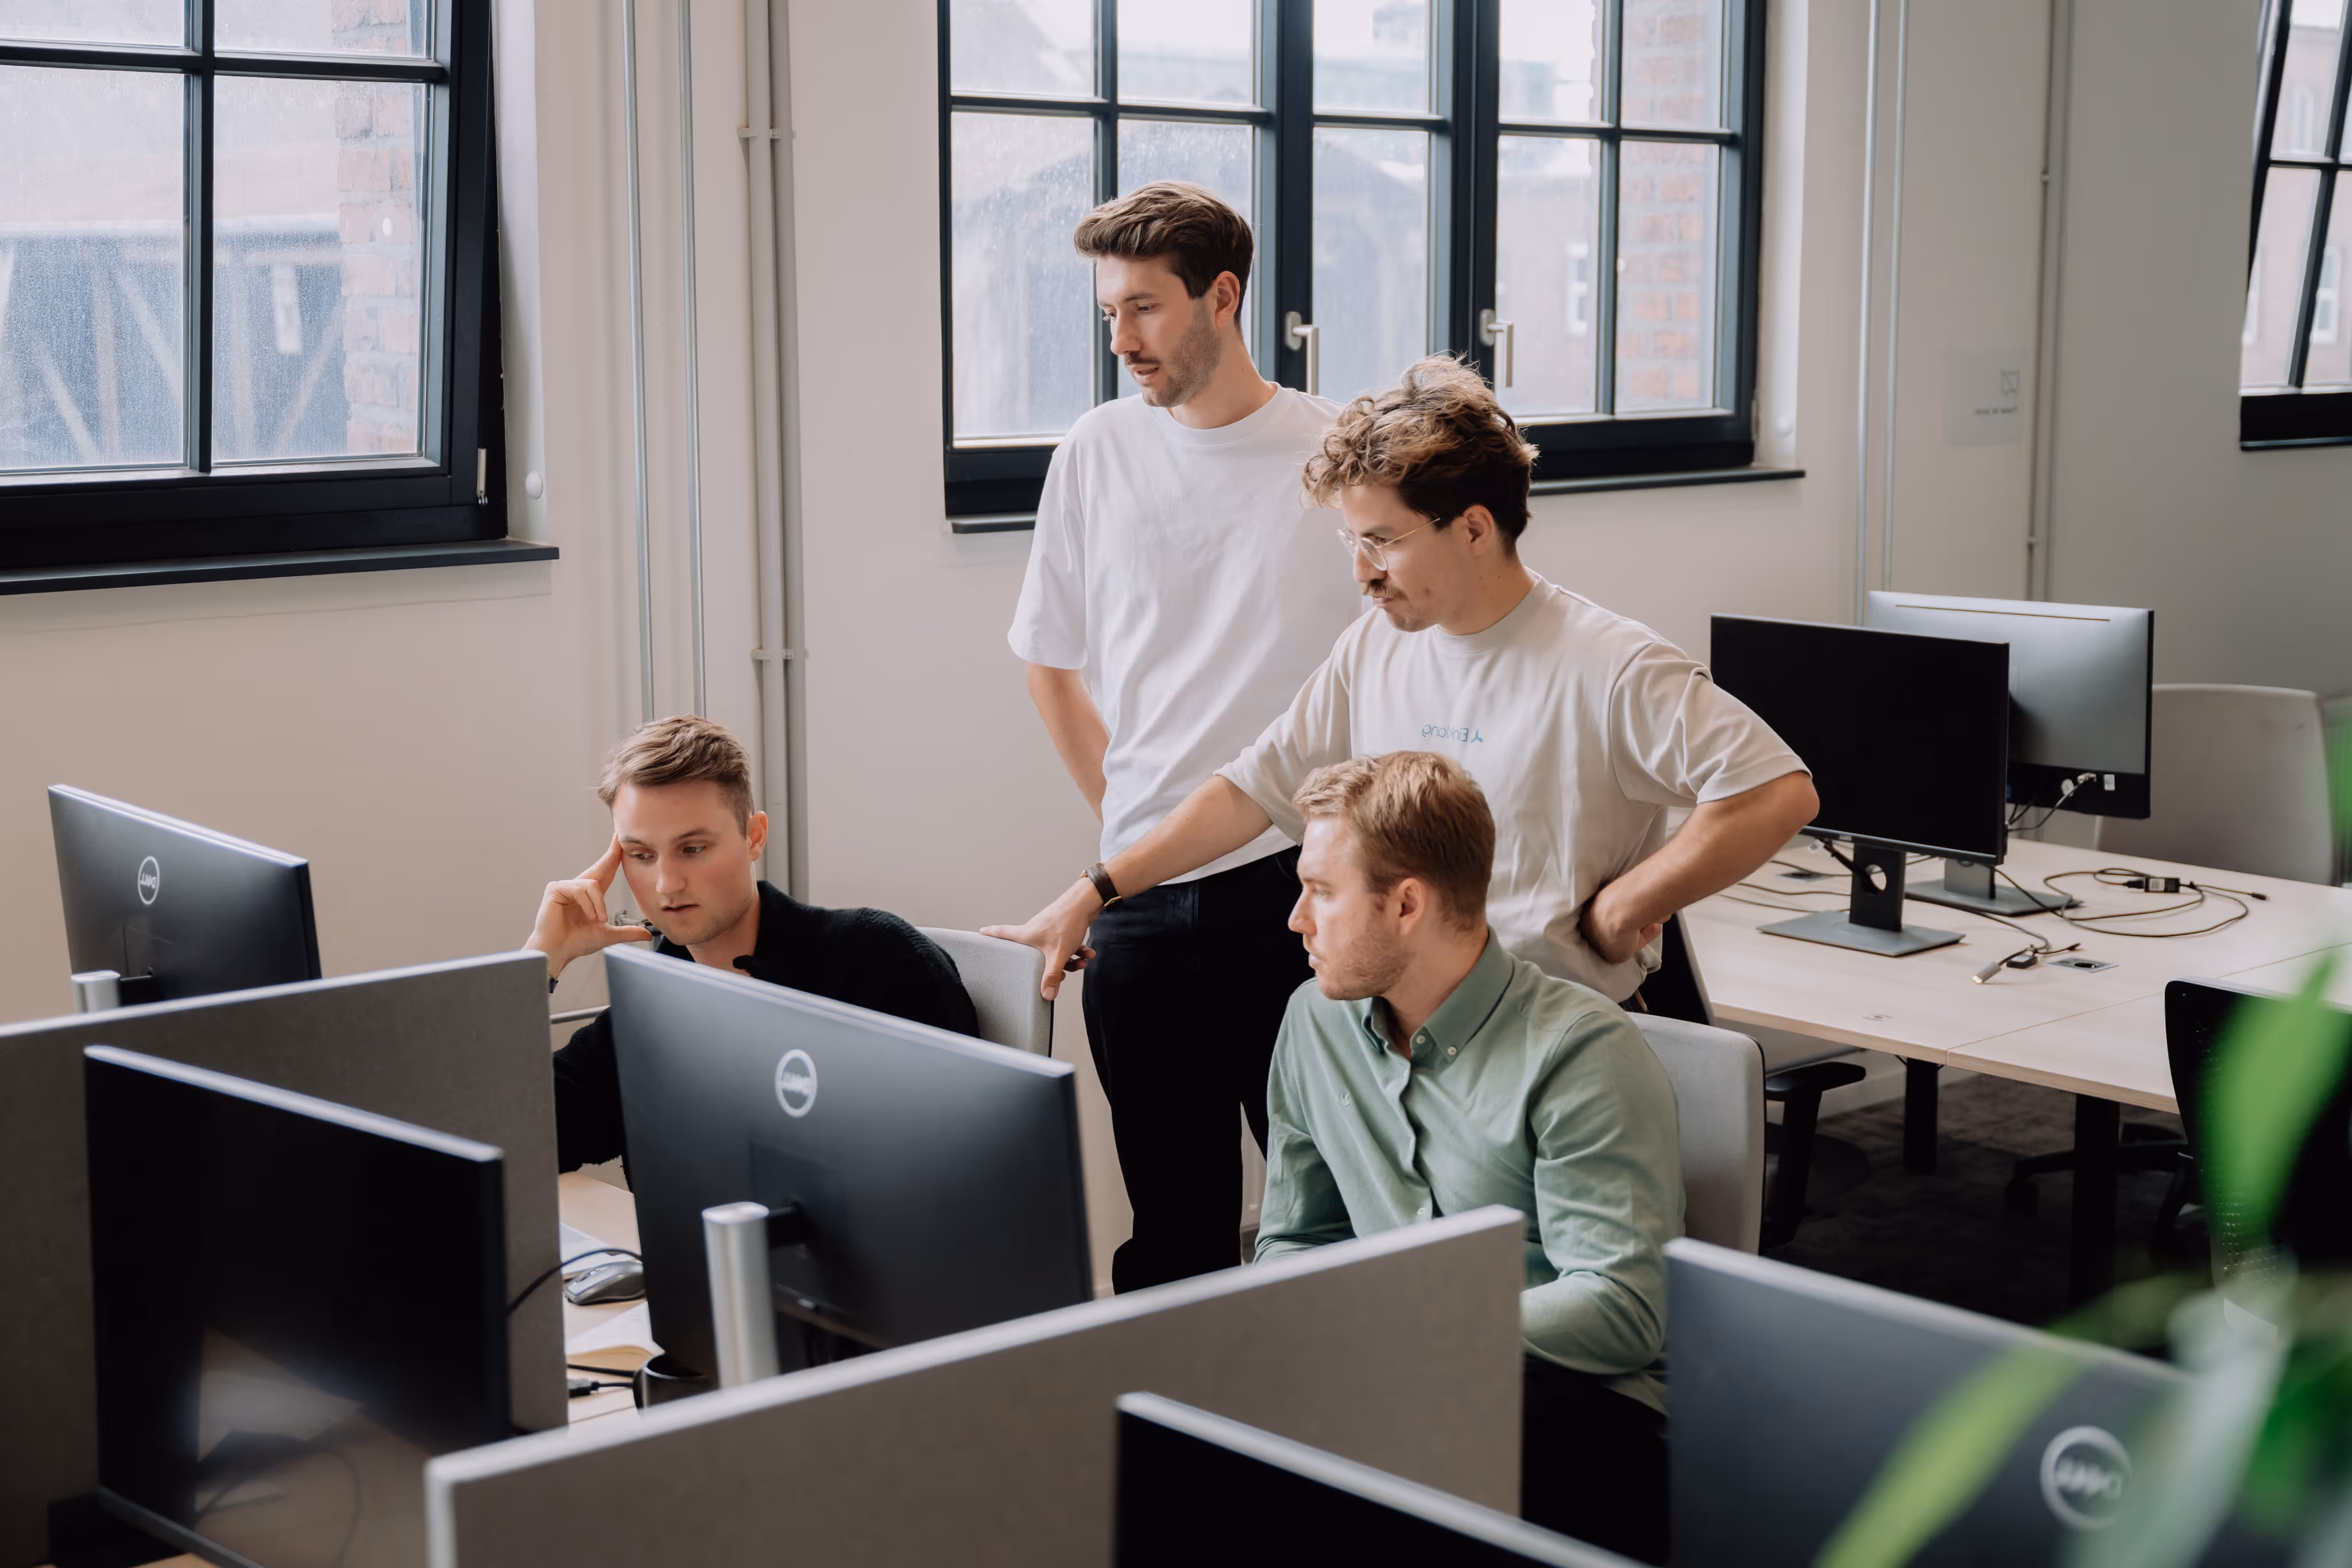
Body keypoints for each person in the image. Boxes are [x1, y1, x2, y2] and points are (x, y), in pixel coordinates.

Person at [991, 354, 1817, 1010]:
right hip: (1403, 1046)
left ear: (1474, 528)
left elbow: (1775, 791)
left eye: (1381, 540)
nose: (1361, 572)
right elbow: (1251, 788)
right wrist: (1096, 888)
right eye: (1352, 540)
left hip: (1552, 1047)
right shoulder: (1373, 650)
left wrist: (1623, 904)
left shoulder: (1611, 663)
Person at [991, 182, 1364, 1292]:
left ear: (1223, 296)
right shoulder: (1095, 454)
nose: (1121, 341)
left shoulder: (1338, 457)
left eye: (1145, 309)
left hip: (1295, 893)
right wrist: (1137, 825)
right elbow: (1048, 667)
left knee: (1333, 1214)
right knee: (1173, 1237)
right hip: (1138, 900)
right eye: (1109, 312)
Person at [1256, 752, 1679, 1562]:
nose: (1296, 919)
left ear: (1407, 902)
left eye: (1321, 890)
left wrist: (1408, 1333)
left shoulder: (1580, 1052)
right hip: (1393, 1386)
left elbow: (1622, 1306)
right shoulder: (1312, 1021)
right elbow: (1297, 1239)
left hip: (1576, 1407)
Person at [529, 717, 978, 1171]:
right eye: (641, 856)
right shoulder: (651, 1009)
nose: (666, 884)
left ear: (754, 836)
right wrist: (539, 963)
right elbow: (513, 1135)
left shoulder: (879, 959)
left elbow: (975, 1158)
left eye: (693, 848)